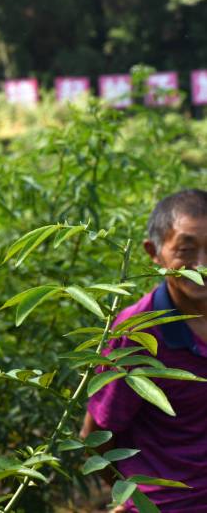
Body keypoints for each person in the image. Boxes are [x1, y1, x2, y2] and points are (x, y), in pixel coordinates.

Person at [82, 189, 207, 510]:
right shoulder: (136, 332)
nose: (202, 266)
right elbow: (96, 437)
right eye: (186, 250)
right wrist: (130, 497)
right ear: (154, 252)